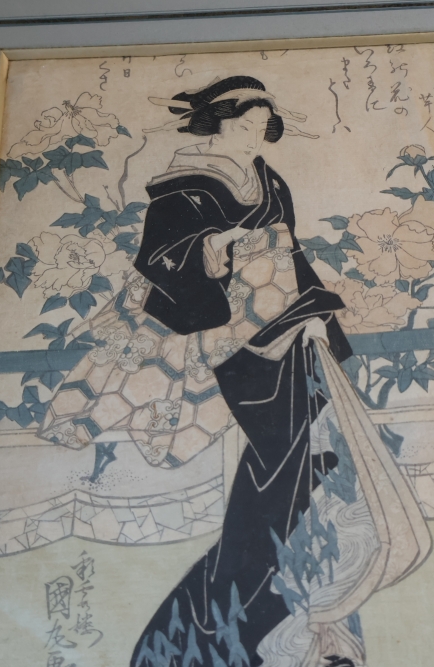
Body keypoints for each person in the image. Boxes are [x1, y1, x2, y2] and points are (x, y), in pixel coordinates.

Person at [128, 76, 356, 667]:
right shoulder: (184, 184)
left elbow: (291, 251)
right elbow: (159, 258)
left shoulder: (268, 179)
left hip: (287, 324)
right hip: (225, 333)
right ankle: (237, 603)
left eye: (263, 124)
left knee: (309, 452)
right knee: (281, 455)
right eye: (247, 121)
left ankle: (288, 594)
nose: (257, 132)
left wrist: (318, 316)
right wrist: (216, 248)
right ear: (219, 120)